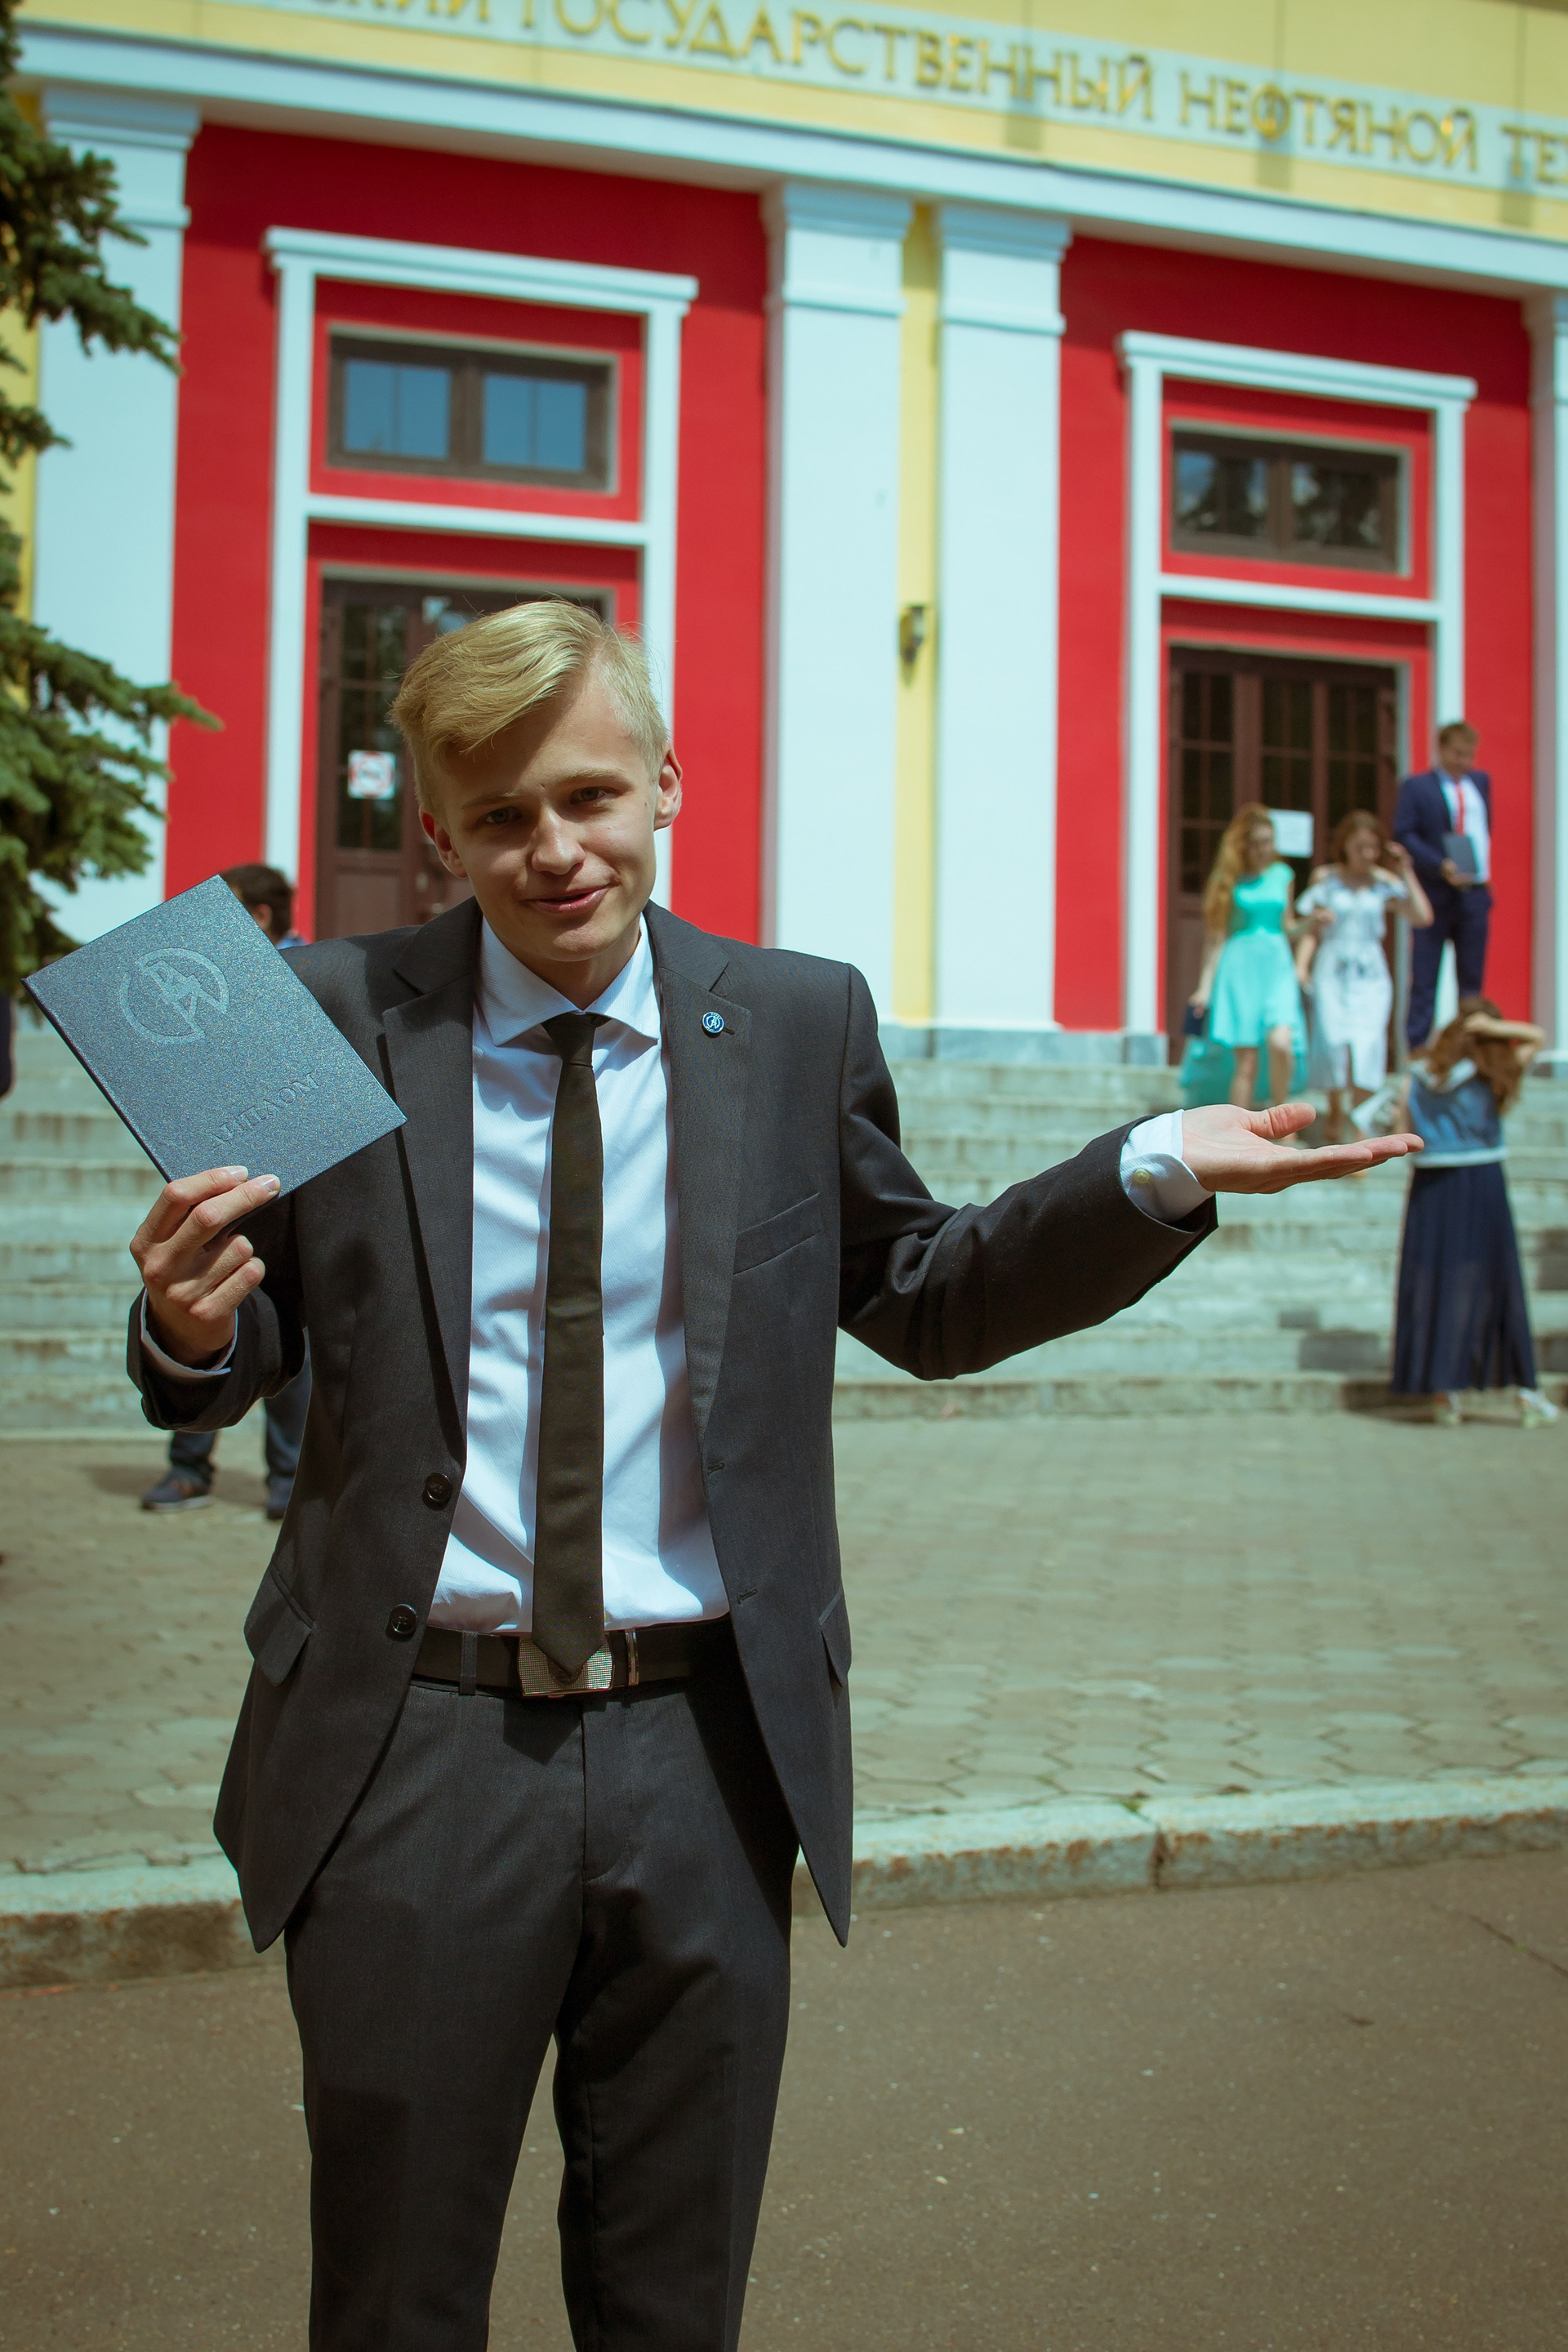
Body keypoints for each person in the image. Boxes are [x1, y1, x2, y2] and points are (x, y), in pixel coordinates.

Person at [122, 602, 1422, 2350]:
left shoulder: (798, 1020)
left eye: (592, 796)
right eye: (501, 816)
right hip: (413, 1751)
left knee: (676, 2301)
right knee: (393, 2301)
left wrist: (1148, 1169)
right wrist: (186, 1331)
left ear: (667, 783)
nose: (555, 850)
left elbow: (927, 1296)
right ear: (436, 830)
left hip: (708, 1750)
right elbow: (249, 1331)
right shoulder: (317, 1014)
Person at [140, 863, 310, 1518]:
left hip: (294, 1183)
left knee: (288, 1325)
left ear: (258, 917)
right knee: (195, 1313)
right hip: (214, 1178)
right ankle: (189, 1465)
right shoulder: (217, 982)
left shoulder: (318, 980)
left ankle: (287, 1479)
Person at [1388, 997, 1557, 1428]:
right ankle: (1526, 1393)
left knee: (1435, 1280)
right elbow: (1538, 1037)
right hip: (1482, 1180)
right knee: (1498, 1281)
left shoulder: (1419, 1075)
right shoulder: (1490, 1073)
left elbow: (1400, 1130)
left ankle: (1443, 1393)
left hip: (1430, 1185)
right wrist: (1493, 1029)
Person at [1295, 812, 1433, 1142]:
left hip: (1370, 973)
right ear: (1345, 845)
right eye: (1360, 847)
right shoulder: (1326, 878)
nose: (1367, 855)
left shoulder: (1384, 882)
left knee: (1367, 1043)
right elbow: (1312, 927)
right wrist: (1302, 965)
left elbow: (1422, 916)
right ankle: (1335, 1108)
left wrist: (1406, 871)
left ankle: (1359, 1121)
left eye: (1373, 848)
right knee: (1333, 1041)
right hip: (1332, 968)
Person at [1189, 803, 1307, 1111]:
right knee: (1247, 1061)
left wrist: (1312, 924)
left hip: (1277, 965)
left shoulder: (1283, 875)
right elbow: (1216, 937)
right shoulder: (1228, 879)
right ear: (1242, 845)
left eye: (1267, 842)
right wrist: (1204, 987)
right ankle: (1240, 1126)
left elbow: (1289, 926)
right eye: (1255, 843)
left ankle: (1284, 1117)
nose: (1262, 849)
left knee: (1281, 1042)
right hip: (1239, 968)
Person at [1393, 719, 1492, 1049]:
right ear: (1442, 749)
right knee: (1425, 979)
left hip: (1474, 895)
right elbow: (1404, 833)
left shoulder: (1480, 783)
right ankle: (1418, 1051)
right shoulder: (1418, 787)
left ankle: (1468, 1051)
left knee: (1471, 982)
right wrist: (1439, 865)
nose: (1464, 761)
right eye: (1458, 754)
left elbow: (1484, 831)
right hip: (1435, 895)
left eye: (1469, 755)